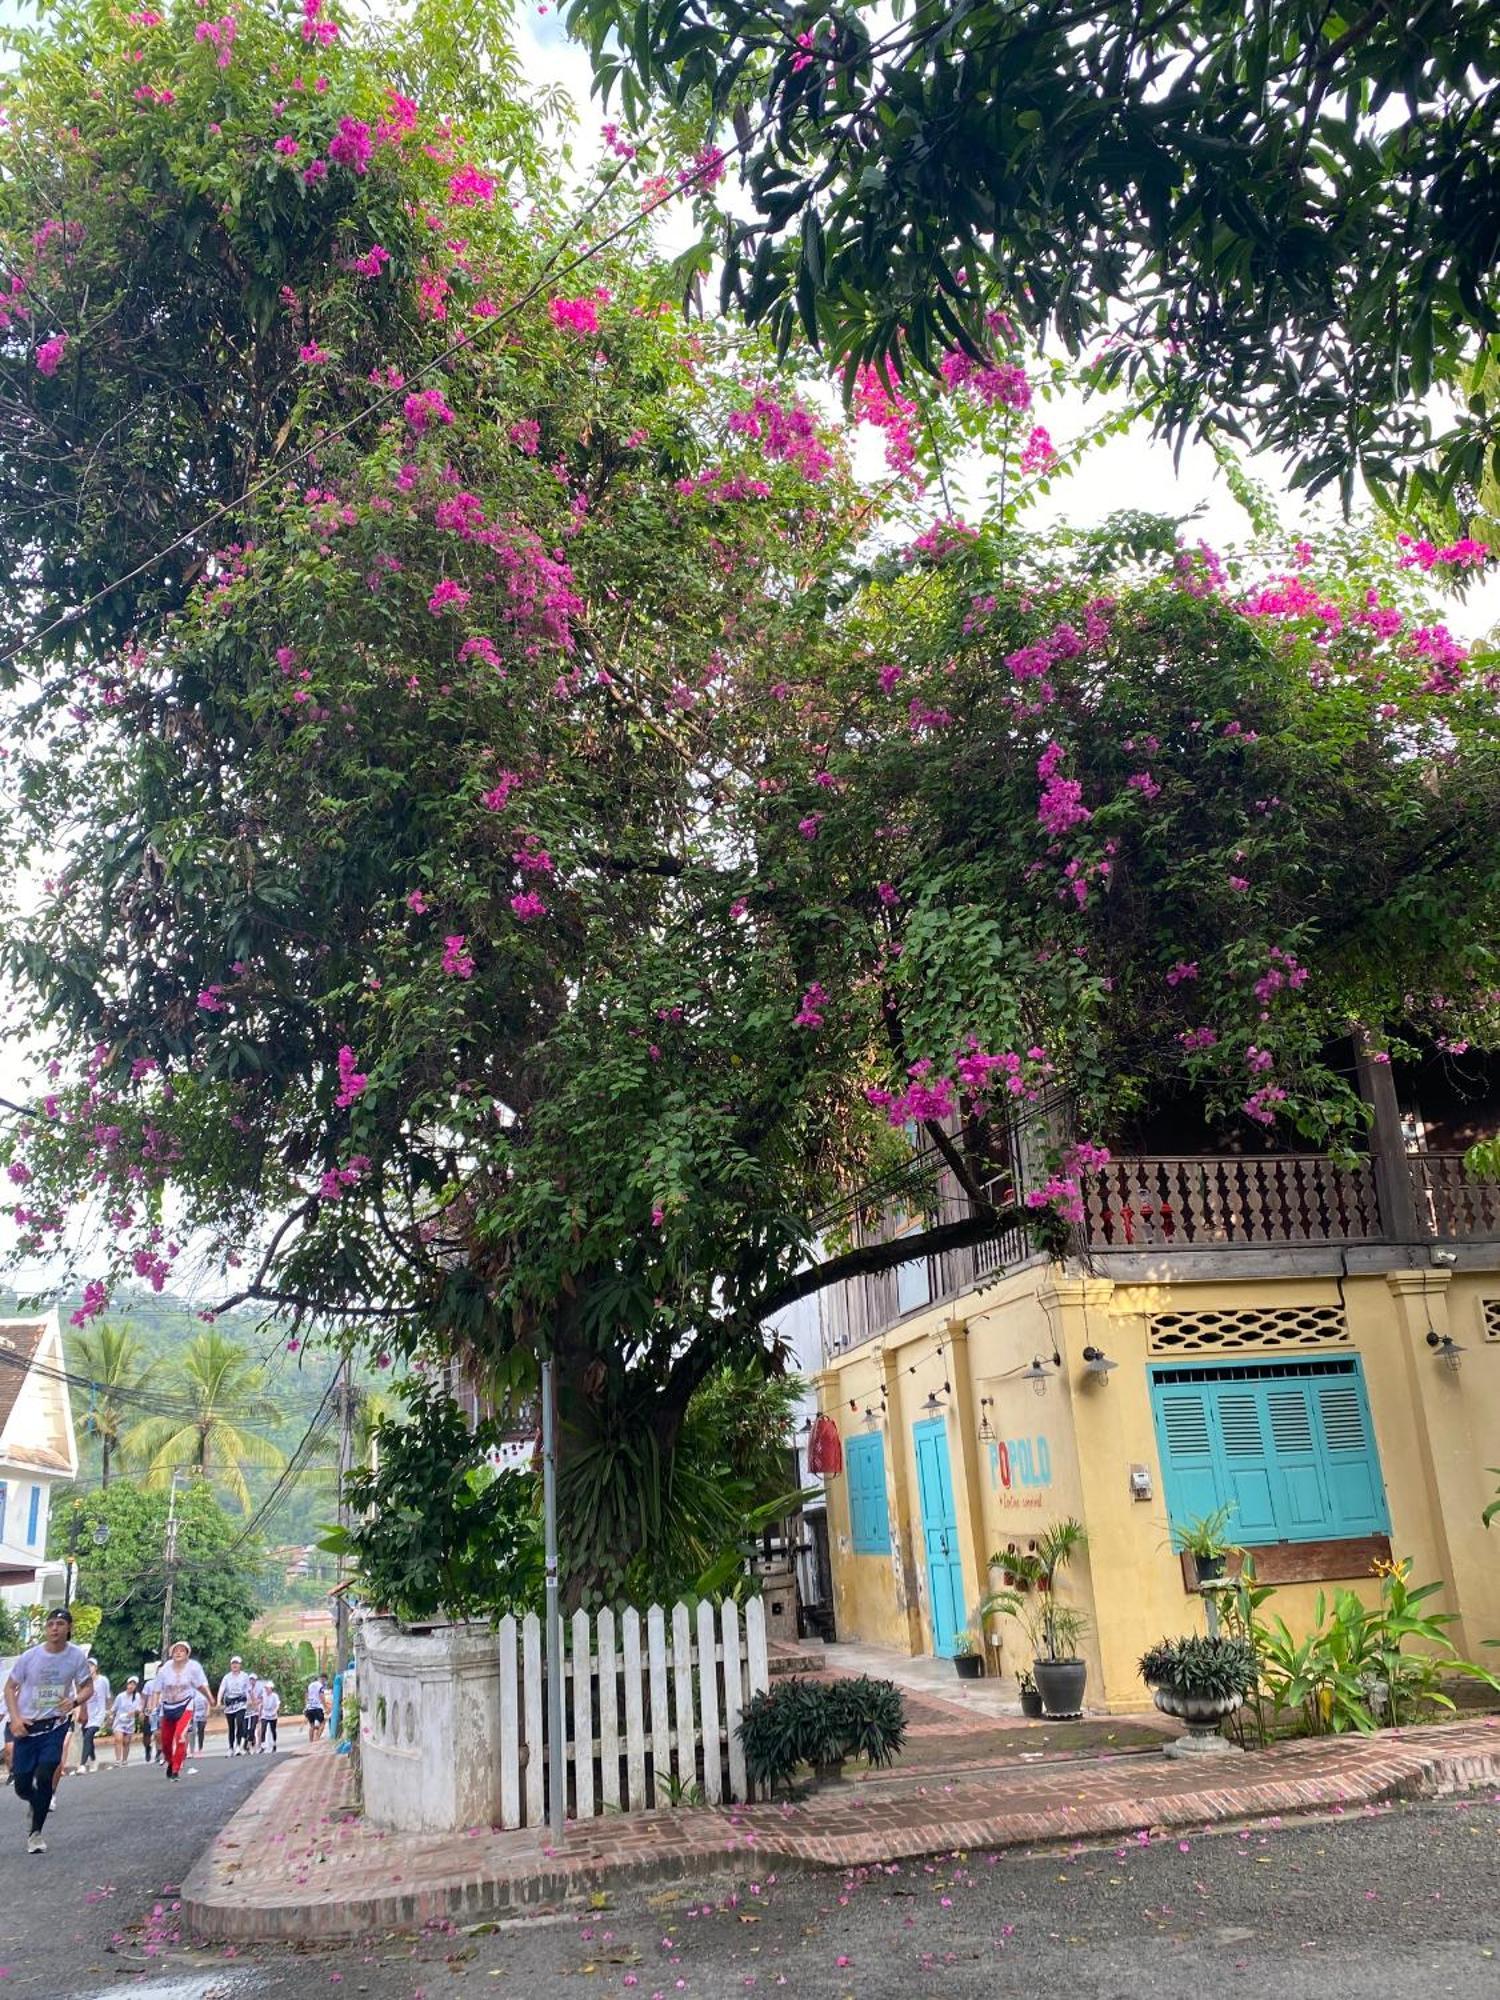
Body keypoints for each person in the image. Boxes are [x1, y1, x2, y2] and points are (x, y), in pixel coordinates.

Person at [3, 1607, 93, 1854]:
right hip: (27, 1728)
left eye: (60, 1624)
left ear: (69, 1628)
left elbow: (87, 1687)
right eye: (50, 1624)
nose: (55, 1628)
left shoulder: (75, 1657)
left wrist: (74, 1702)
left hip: (54, 1724)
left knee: (46, 1771)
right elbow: (10, 1688)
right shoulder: (30, 1657)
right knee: (22, 1786)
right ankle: (36, 1802)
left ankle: (35, 1834)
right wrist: (15, 1718)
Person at [149, 1642, 210, 1782]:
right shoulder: (164, 1669)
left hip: (185, 1705)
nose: (178, 1653)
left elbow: (202, 1684)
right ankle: (170, 1762)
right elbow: (157, 1690)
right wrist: (153, 1708)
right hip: (168, 1707)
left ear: (187, 1654)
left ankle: (176, 1769)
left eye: (182, 1651)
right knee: (165, 1741)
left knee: (181, 1737)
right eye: (176, 1650)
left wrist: (210, 1698)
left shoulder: (193, 1667)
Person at [80, 1656, 110, 1774]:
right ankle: (93, 1760)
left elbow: (107, 1697)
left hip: (99, 1714)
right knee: (88, 1739)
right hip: (88, 1715)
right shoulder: (84, 1683)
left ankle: (82, 1765)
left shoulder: (103, 1680)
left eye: (91, 1666)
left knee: (88, 1737)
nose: (89, 1668)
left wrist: (108, 1713)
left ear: (96, 1668)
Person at [216, 1656, 251, 1756]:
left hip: (241, 1703)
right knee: (231, 1726)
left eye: (237, 1663)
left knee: (239, 1723)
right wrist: (219, 1701)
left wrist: (249, 1700)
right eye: (233, 1663)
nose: (235, 1665)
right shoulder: (227, 1677)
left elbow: (247, 1689)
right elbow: (222, 1689)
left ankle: (238, 1746)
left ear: (240, 1665)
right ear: (231, 1665)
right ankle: (231, 1747)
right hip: (230, 1703)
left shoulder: (244, 1676)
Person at [111, 1677, 142, 1766]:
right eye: (130, 1684)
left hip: (129, 1722)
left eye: (133, 1684)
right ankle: (118, 1760)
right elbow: (114, 1708)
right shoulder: (120, 1696)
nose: (131, 1686)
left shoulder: (137, 1696)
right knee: (118, 1739)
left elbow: (139, 1708)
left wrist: (135, 1713)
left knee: (126, 1741)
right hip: (119, 1721)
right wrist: (110, 1715)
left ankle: (124, 1759)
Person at [304, 1672, 327, 1742]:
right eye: (325, 1680)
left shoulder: (310, 1685)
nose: (325, 1682)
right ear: (323, 1679)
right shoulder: (320, 1686)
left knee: (311, 1725)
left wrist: (307, 1705)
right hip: (317, 1708)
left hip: (309, 1708)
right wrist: (325, 1706)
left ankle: (311, 1742)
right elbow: (322, 1697)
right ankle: (317, 1739)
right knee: (323, 1723)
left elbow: (306, 1696)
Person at [258, 1680, 281, 1752]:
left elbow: (277, 1705)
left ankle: (274, 1743)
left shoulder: (275, 1696)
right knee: (263, 1729)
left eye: (268, 1688)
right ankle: (262, 1745)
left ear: (271, 1688)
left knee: (273, 1730)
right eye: (266, 1688)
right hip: (265, 1714)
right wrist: (259, 1714)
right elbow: (261, 1704)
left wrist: (275, 1711)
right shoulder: (263, 1695)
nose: (267, 1690)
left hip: (273, 1715)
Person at [191, 1680, 209, 1754]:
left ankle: (200, 1748)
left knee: (201, 1731)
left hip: (202, 1715)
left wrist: (207, 1712)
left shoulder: (204, 1693)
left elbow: (208, 1703)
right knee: (193, 1732)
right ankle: (192, 1750)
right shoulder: (192, 1692)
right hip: (194, 1714)